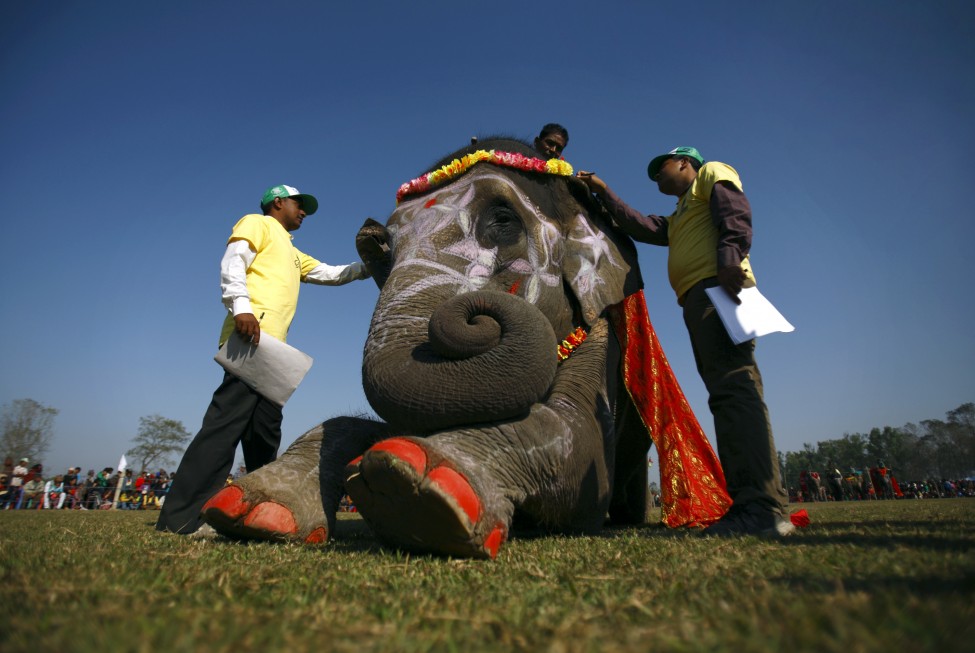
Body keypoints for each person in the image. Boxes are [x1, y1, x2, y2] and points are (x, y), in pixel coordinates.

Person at [577, 146, 794, 537]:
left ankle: (761, 507)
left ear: (684, 162)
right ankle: (755, 504)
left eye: (661, 168)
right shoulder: (679, 216)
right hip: (699, 297)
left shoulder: (711, 173)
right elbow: (639, 225)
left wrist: (729, 257)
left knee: (734, 389)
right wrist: (603, 192)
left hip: (719, 288)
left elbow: (735, 212)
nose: (656, 177)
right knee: (724, 393)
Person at [156, 184, 370, 535]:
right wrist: (241, 307)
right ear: (278, 203)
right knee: (224, 426)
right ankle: (181, 517)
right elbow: (233, 262)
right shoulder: (257, 223)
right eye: (299, 205)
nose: (303, 212)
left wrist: (367, 268)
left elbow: (330, 273)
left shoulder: (293, 251)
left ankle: (254, 509)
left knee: (264, 434)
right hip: (250, 335)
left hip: (275, 353)